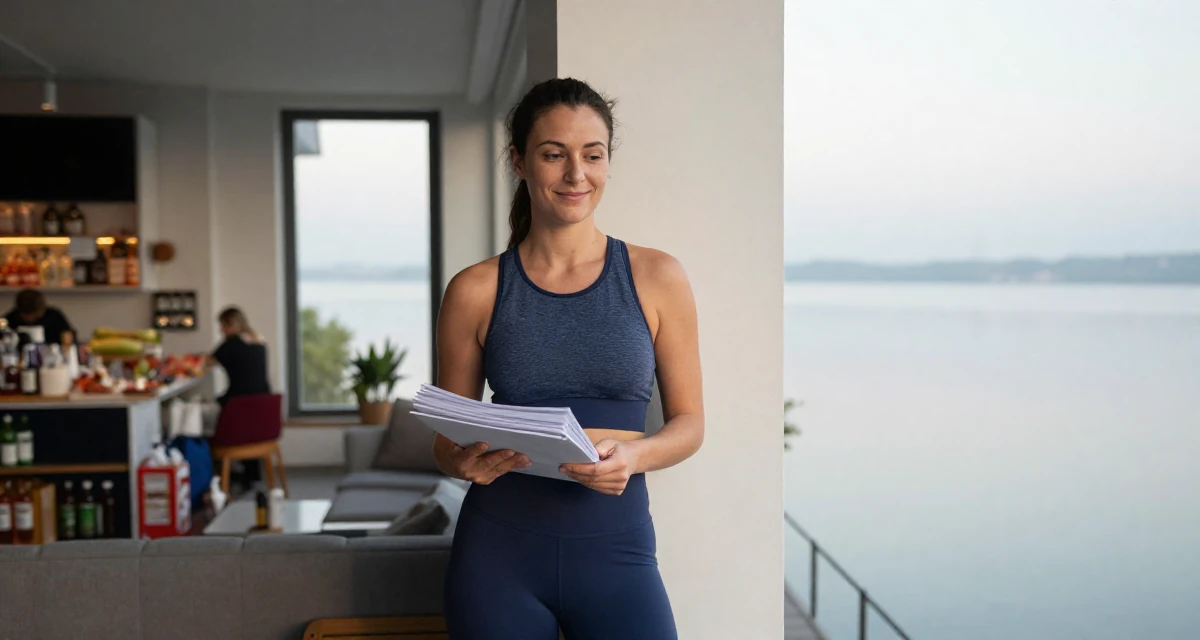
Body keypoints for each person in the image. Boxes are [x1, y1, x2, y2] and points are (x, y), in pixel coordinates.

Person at [434, 78, 704, 640]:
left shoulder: (658, 277)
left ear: (607, 162)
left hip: (618, 553)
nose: (576, 174)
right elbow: (447, 435)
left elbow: (690, 425)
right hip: (497, 556)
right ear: (520, 161)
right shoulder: (475, 289)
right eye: (554, 155)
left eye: (592, 155)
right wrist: (460, 462)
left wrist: (634, 455)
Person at [206, 306, 271, 407]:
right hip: (264, 402)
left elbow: (207, 362)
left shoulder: (232, 344)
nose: (221, 330)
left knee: (202, 410)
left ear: (232, 324)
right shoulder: (259, 342)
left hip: (238, 402)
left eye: (223, 325)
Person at [4, 289, 76, 345]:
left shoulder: (54, 316)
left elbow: (67, 336)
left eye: (35, 315)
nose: (31, 319)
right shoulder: (11, 319)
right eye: (28, 316)